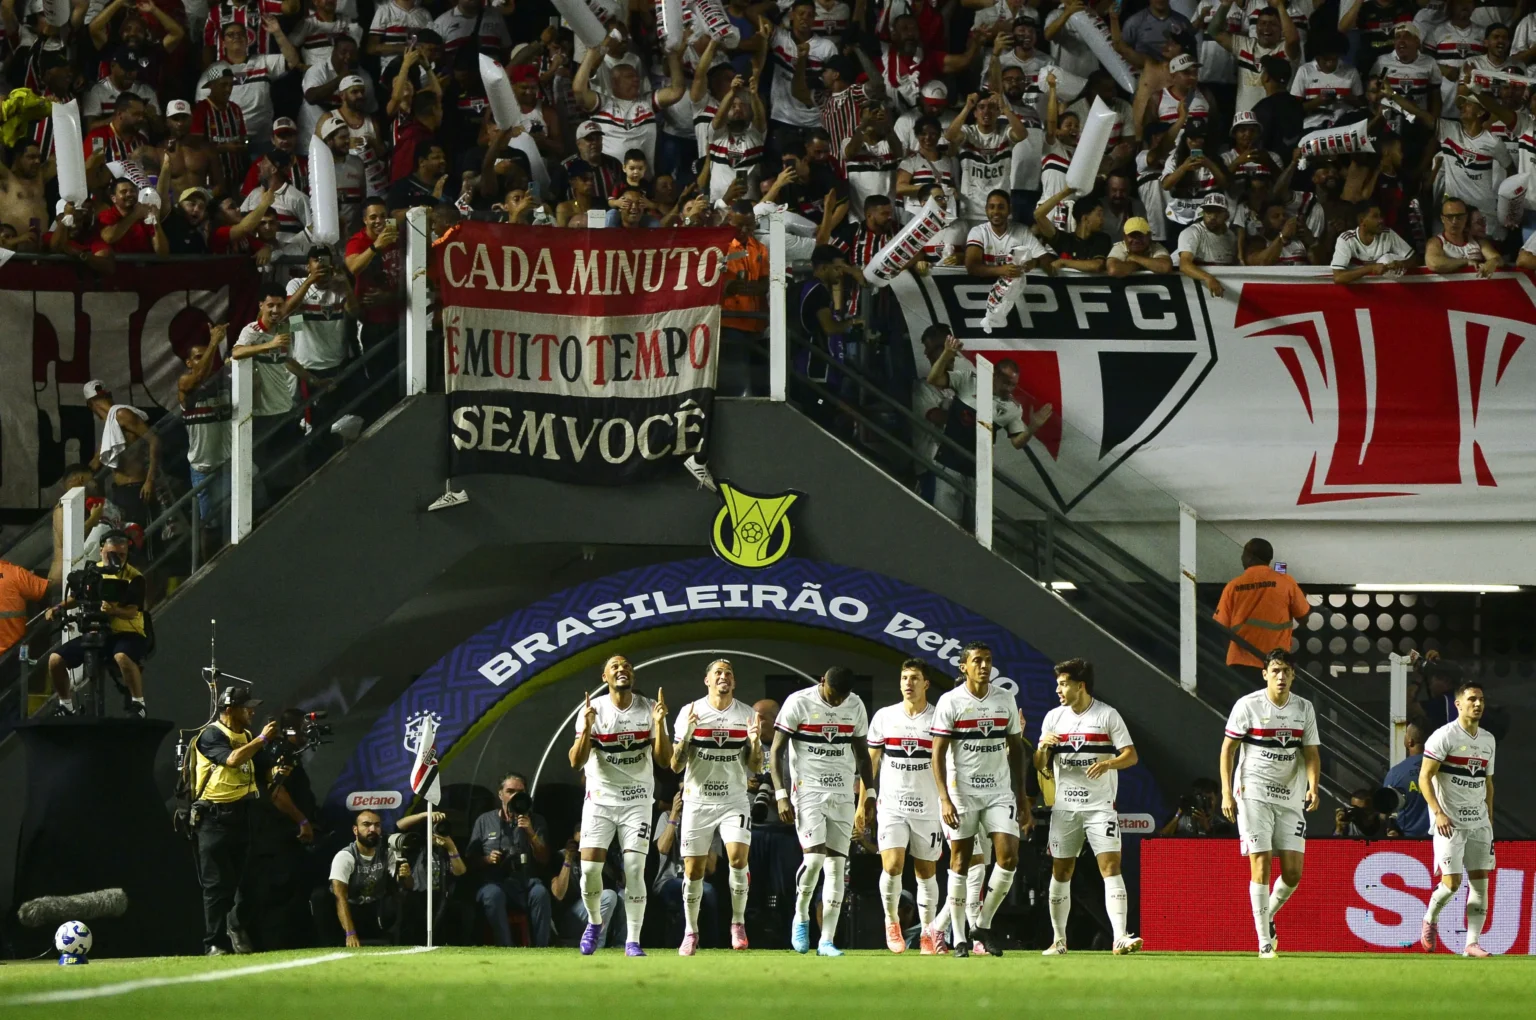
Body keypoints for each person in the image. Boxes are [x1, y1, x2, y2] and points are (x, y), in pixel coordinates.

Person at [931, 641, 1032, 958]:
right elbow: (938, 753)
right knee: (960, 863)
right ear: (964, 667)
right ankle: (958, 937)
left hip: (999, 792)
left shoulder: (1004, 699)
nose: (984, 666)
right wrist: (945, 798)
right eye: (977, 661)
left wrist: (1022, 796)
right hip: (962, 793)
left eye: (988, 660)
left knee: (1009, 857)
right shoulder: (951, 702)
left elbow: (1016, 750)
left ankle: (983, 924)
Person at [1036, 658, 1142, 955]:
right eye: (1058, 683)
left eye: (1063, 684)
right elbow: (1039, 765)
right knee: (1062, 871)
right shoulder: (1053, 718)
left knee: (1111, 867)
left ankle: (1120, 936)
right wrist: (1043, 746)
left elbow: (1131, 756)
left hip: (1100, 808)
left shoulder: (1107, 716)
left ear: (1080, 686)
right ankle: (1058, 941)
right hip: (1065, 809)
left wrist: (1108, 763)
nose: (1058, 689)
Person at [1219, 650, 1321, 959]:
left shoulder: (1304, 709)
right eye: (1275, 670)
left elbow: (1312, 752)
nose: (1281, 676)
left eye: (1286, 671)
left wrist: (1313, 786)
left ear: (1293, 675)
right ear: (1265, 674)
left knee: (1292, 874)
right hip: (1253, 792)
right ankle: (1264, 942)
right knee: (1260, 863)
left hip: (1290, 795)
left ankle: (1268, 915)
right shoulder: (1248, 705)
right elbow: (1228, 750)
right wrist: (1226, 792)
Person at [568, 655, 671, 956]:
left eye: (626, 666)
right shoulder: (593, 710)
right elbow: (576, 762)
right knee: (589, 870)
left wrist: (660, 724)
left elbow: (665, 761)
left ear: (633, 677)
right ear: (604, 677)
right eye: (614, 666)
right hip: (600, 800)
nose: (622, 669)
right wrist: (587, 728)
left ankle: (633, 940)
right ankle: (594, 922)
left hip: (637, 800)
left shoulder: (649, 707)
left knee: (635, 867)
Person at [770, 666, 871, 957]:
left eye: (843, 697)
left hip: (841, 793)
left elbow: (863, 755)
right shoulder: (798, 702)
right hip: (809, 791)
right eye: (833, 695)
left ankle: (827, 940)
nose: (838, 702)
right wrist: (781, 795)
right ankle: (801, 916)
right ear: (822, 682)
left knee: (837, 867)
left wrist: (870, 795)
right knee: (814, 859)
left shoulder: (855, 705)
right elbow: (776, 750)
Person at [669, 658, 762, 954]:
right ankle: (691, 931)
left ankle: (737, 922)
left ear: (734, 683)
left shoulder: (747, 714)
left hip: (734, 799)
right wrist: (686, 737)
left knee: (737, 859)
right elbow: (675, 765)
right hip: (698, 800)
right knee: (693, 870)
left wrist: (756, 743)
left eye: (729, 674)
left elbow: (756, 766)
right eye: (718, 673)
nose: (724, 677)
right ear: (707, 681)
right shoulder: (690, 711)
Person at [926, 335, 1053, 526]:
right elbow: (933, 378)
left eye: (1013, 385)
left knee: (974, 529)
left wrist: (1032, 428)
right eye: (1006, 383)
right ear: (994, 375)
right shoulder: (968, 381)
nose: (1009, 389)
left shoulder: (1012, 407)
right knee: (947, 523)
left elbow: (1017, 442)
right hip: (949, 463)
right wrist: (947, 353)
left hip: (979, 472)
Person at [188, 686, 278, 955]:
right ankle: (213, 943)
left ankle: (235, 924)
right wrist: (262, 738)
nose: (252, 711)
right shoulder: (211, 735)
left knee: (250, 881)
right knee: (217, 886)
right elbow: (232, 759)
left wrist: (278, 766)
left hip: (243, 815)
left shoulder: (247, 735)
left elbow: (262, 765)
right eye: (245, 706)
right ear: (229, 710)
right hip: (213, 818)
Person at [865, 659, 944, 954]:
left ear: (926, 684)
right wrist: (865, 801)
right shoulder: (885, 717)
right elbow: (870, 761)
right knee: (893, 865)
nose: (908, 683)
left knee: (926, 872)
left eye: (915, 678)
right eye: (904, 678)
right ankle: (891, 921)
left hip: (928, 807)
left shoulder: (939, 718)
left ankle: (926, 932)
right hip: (892, 806)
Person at [1418, 679, 1497, 957]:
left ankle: (1471, 944)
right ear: (1458, 704)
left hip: (1479, 824)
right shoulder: (1444, 736)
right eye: (1472, 699)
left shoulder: (1488, 740)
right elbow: (1424, 777)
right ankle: (1430, 918)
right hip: (1449, 822)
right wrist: (1438, 813)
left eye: (1481, 700)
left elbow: (1488, 783)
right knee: (1451, 884)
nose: (1478, 704)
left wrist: (1489, 817)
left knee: (1480, 882)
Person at [45, 530, 148, 717]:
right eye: (112, 554)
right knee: (55, 660)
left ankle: (138, 704)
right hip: (96, 631)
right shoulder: (92, 573)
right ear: (101, 550)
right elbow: (75, 597)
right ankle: (66, 705)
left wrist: (114, 611)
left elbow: (133, 611)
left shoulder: (135, 578)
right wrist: (58, 607)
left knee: (122, 656)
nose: (117, 559)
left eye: (122, 555)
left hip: (126, 632)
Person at [468, 772, 553, 947]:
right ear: (500, 794)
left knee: (541, 893)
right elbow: (469, 862)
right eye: (510, 791)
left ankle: (541, 950)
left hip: (525, 882)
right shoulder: (484, 821)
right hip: (494, 882)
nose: (515, 796)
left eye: (520, 792)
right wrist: (487, 860)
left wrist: (530, 833)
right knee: (493, 894)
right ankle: (506, 949)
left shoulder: (535, 820)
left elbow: (544, 859)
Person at [1213, 537, 1310, 685]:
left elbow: (1220, 627)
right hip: (1275, 663)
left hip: (1240, 663)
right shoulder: (1286, 582)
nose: (1241, 558)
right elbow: (1304, 617)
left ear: (1250, 557)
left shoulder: (1233, 586)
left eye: (1243, 554)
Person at [178, 325, 233, 560]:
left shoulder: (225, 380)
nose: (205, 361)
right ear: (189, 363)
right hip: (201, 467)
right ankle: (204, 566)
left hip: (227, 462)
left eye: (208, 355)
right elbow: (198, 377)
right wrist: (214, 342)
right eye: (198, 358)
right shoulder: (185, 385)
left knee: (232, 516)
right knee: (206, 523)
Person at [322, 810, 412, 945]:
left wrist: (405, 876)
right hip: (350, 908)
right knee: (320, 897)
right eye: (366, 825)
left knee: (405, 898)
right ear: (355, 830)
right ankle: (331, 942)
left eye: (377, 825)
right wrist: (350, 933)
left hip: (374, 908)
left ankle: (400, 941)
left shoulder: (387, 853)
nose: (372, 829)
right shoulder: (345, 857)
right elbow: (340, 896)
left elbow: (408, 886)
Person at [1331, 199, 1418, 283]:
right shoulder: (1346, 239)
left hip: (1386, 291)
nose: (1381, 220)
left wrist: (1401, 263)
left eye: (1381, 216)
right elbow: (1338, 277)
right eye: (1375, 216)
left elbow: (1413, 258)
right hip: (1358, 291)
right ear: (1361, 220)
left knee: (1387, 259)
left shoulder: (1387, 234)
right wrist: (1371, 268)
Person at [1425, 196, 1503, 275]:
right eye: (1449, 217)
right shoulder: (1436, 242)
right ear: (1442, 218)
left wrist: (1492, 262)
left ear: (1466, 217)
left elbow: (1497, 258)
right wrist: (1465, 262)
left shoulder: (1478, 241)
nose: (1454, 221)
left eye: (1459, 217)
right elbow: (1434, 263)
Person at [1383, 722, 1430, 838]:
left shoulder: (1396, 773)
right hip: (1441, 842)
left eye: (1406, 734)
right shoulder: (1444, 770)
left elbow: (1386, 809)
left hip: (1408, 843)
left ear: (1410, 741)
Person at [1107, 216, 1174, 275]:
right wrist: (1140, 264)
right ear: (1124, 237)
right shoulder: (1120, 246)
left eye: (1140, 236)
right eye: (1132, 236)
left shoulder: (1156, 247)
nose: (1136, 240)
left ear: (1149, 236)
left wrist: (1135, 258)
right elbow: (1113, 270)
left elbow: (1166, 267)